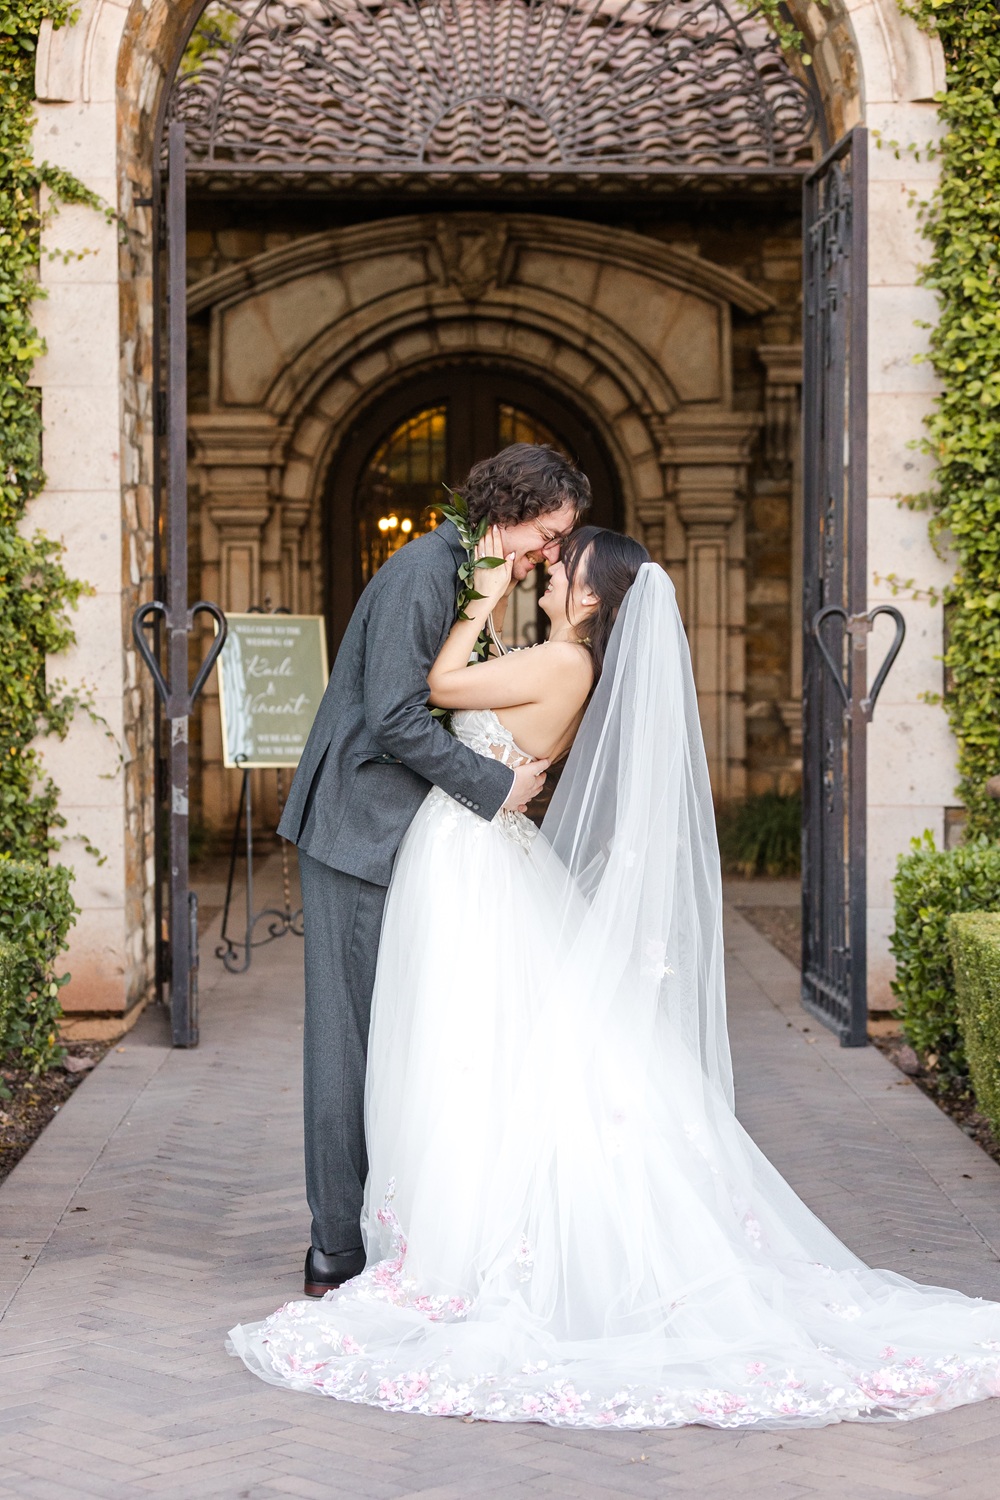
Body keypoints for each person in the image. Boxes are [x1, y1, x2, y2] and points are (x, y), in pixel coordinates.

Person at [234, 526, 1000, 1431]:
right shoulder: (556, 658)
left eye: (563, 565)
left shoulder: (563, 663)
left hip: (472, 862)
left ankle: (469, 1241)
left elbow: (437, 688)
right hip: (472, 853)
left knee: (470, 1043)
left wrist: (476, 596)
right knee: (481, 1045)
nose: (549, 568)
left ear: (592, 598)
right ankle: (445, 1226)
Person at [276, 444, 588, 1298]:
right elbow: (395, 717)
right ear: (510, 507)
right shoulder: (424, 573)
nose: (551, 552)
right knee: (349, 1040)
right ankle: (335, 1247)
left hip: (409, 839)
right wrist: (494, 785)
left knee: (398, 1035)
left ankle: (391, 1223)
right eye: (548, 531)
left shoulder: (471, 577)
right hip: (360, 829)